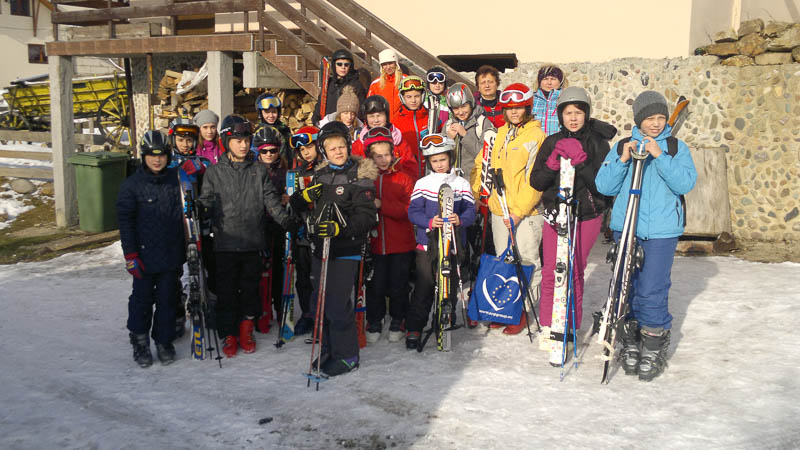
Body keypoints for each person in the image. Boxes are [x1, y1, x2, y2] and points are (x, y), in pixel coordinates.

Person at [595, 90, 697, 381]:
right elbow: (604, 186)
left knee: (652, 288)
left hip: (661, 231)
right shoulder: (622, 145)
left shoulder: (675, 147)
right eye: (649, 118)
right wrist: (623, 159)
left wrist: (660, 156)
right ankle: (629, 338)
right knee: (625, 286)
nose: (655, 123)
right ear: (638, 120)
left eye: (660, 117)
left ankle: (652, 343)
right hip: (627, 227)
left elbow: (685, 183)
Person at [529, 86, 617, 355]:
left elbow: (604, 186)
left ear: (586, 114)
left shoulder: (598, 143)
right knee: (552, 271)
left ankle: (569, 325)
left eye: (578, 112)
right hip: (556, 214)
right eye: (568, 113)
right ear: (560, 115)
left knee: (575, 271)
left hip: (586, 215)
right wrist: (552, 165)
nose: (573, 118)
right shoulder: (551, 141)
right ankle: (549, 324)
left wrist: (582, 163)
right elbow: (537, 181)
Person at [198, 115, 295, 358]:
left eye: (246, 140)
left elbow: (271, 201)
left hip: (252, 241)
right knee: (227, 291)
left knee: (251, 289)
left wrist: (286, 220)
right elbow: (206, 201)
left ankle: (246, 329)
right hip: (225, 243)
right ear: (226, 141)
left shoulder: (258, 171)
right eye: (238, 140)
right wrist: (200, 210)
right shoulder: (214, 172)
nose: (243, 145)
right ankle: (229, 333)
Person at [290, 121, 378, 376]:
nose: (338, 152)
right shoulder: (321, 176)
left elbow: (367, 217)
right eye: (332, 148)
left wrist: (341, 228)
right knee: (323, 304)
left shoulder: (359, 176)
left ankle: (347, 355)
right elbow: (300, 207)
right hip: (322, 248)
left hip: (346, 249)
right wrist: (304, 197)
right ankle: (329, 349)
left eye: (341, 146)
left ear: (348, 146)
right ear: (324, 151)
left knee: (338, 305)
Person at [473, 82, 545, 335]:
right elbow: (481, 163)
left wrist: (519, 212)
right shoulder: (499, 134)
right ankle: (505, 307)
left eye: (519, 107)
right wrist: (481, 191)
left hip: (525, 213)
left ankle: (522, 310)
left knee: (526, 261)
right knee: (504, 261)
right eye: (510, 108)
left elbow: (536, 180)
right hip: (499, 209)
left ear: (527, 108)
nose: (514, 112)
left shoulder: (536, 136)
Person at [116, 130, 185, 367]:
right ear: (143, 156)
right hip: (143, 255)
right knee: (142, 300)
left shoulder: (176, 180)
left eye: (162, 155)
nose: (157, 160)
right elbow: (125, 223)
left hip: (170, 253)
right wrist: (130, 254)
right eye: (152, 155)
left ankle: (164, 341)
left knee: (168, 299)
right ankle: (140, 341)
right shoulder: (131, 186)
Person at [406, 134, 476, 350]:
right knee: (424, 286)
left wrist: (460, 219)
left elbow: (471, 210)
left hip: (452, 245)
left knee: (449, 286)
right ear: (429, 162)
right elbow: (413, 211)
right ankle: (415, 326)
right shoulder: (423, 183)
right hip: (427, 245)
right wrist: (428, 221)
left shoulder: (461, 183)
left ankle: (445, 319)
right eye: (434, 161)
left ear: (450, 158)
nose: (439, 164)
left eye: (443, 159)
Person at [362, 127, 415, 343]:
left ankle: (398, 318)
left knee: (398, 283)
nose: (383, 160)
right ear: (370, 157)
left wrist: (382, 205)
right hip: (375, 243)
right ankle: (374, 319)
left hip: (400, 243)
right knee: (376, 284)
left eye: (386, 155)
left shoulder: (403, 178)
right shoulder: (366, 179)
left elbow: (410, 210)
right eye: (378, 156)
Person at [253, 126, 290, 334]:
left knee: (278, 269)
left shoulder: (285, 171)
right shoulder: (252, 170)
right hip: (258, 226)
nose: (268, 154)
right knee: (260, 270)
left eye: (272, 150)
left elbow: (293, 195)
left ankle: (279, 306)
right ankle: (262, 310)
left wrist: (288, 199)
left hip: (278, 225)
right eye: (264, 151)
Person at [288, 126, 322, 336]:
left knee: (319, 277)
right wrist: (296, 200)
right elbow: (294, 202)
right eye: (302, 149)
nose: (306, 152)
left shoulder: (326, 169)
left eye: (309, 146)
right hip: (303, 233)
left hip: (323, 231)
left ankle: (321, 314)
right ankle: (308, 314)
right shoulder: (298, 173)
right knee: (303, 277)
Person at [351, 95, 418, 180]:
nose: (376, 120)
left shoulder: (399, 142)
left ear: (386, 116)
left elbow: (412, 171)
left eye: (379, 115)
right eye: (371, 116)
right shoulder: (359, 145)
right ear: (366, 119)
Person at [444, 82, 496, 181]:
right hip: (453, 181)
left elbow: (485, 155)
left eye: (464, 106)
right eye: (456, 108)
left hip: (476, 181)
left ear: (471, 103)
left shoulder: (483, 123)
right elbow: (440, 158)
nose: (460, 112)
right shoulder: (448, 125)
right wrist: (448, 139)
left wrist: (465, 135)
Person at [312, 48, 367, 125]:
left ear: (350, 66)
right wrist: (316, 120)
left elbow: (361, 110)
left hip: (348, 125)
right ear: (334, 65)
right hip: (328, 124)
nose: (343, 67)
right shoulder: (329, 84)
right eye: (339, 64)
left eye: (346, 65)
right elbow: (320, 104)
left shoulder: (356, 85)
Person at [393, 75, 429, 179]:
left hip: (428, 172)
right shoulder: (396, 122)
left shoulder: (431, 117)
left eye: (417, 96)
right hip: (407, 174)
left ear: (422, 96)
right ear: (402, 97)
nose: (413, 100)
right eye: (409, 97)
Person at [367, 49, 406, 122]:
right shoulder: (375, 84)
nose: (388, 67)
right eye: (385, 64)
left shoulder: (406, 81)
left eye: (390, 63)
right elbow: (369, 108)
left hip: (402, 122)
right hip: (384, 124)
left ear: (396, 63)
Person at [255, 93, 292, 163]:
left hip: (285, 166)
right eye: (267, 112)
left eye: (274, 112)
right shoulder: (259, 133)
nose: (271, 115)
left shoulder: (284, 129)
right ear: (260, 113)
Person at [532, 65, 567, 137]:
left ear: (560, 82)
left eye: (553, 79)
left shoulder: (565, 99)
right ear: (540, 81)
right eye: (545, 79)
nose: (549, 83)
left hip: (557, 141)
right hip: (534, 141)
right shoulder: (531, 99)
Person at [423, 66, 450, 134]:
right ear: (428, 84)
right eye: (434, 83)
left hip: (443, 136)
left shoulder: (448, 102)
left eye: (440, 83)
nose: (437, 85)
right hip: (425, 136)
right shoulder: (423, 100)